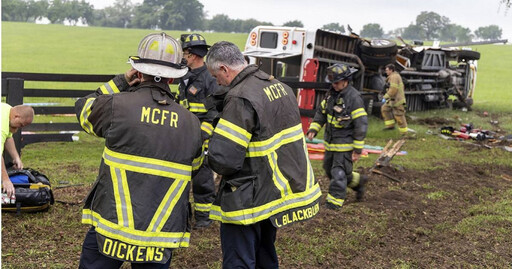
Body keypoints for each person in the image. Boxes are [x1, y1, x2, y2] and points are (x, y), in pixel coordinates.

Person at [75, 32, 204, 269]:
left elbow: (83, 110)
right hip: (160, 233)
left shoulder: (117, 106)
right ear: (173, 79)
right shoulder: (192, 123)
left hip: (111, 227)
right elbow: (195, 167)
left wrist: (121, 82)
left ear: (139, 72)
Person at [206, 41, 322, 268]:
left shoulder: (240, 98)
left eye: (215, 76)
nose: (216, 82)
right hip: (274, 191)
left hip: (248, 196)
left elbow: (225, 159)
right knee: (264, 254)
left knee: (239, 259)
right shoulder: (279, 86)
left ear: (224, 69)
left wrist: (207, 152)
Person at [306, 63, 368, 210]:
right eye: (332, 82)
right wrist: (314, 129)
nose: (334, 85)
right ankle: (359, 182)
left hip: (345, 146)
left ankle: (333, 205)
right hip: (330, 144)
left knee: (338, 173)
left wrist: (357, 149)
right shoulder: (331, 96)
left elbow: (361, 124)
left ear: (346, 81)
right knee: (329, 169)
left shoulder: (354, 98)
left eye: (337, 82)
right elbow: (321, 113)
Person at [176, 33, 218, 229]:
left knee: (202, 181)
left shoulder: (210, 79)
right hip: (183, 136)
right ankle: (184, 215)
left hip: (203, 139)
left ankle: (203, 218)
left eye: (184, 53)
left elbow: (214, 112)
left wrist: (203, 135)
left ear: (192, 55)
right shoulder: (183, 76)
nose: (182, 57)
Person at [1, 103, 34, 199]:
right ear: (17, 116)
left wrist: (16, 157)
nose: (19, 128)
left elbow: (8, 138)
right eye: (20, 124)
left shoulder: (8, 110)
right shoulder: (2, 125)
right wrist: (6, 180)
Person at [381, 63, 408, 135]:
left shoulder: (394, 77)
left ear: (391, 70)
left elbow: (393, 90)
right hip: (392, 100)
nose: (386, 72)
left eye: (387, 70)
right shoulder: (392, 76)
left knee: (399, 116)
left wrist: (385, 97)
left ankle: (404, 132)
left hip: (397, 100)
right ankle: (390, 126)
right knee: (385, 109)